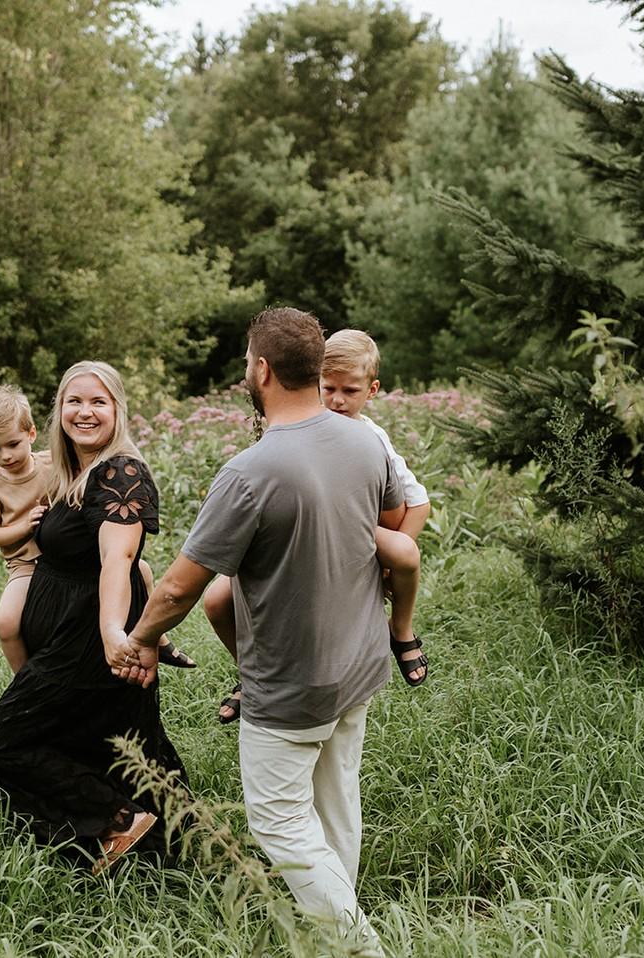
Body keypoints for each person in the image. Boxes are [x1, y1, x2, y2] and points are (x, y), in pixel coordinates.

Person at [113, 307, 420, 954]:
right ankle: (341, 917)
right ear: (316, 369)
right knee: (338, 801)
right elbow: (395, 526)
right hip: (359, 664)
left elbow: (178, 586)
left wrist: (139, 638)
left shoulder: (251, 472)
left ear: (262, 370)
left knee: (280, 821)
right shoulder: (366, 441)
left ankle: (359, 946)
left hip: (290, 682)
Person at [0, 361, 186, 875]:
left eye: (98, 402)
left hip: (89, 638)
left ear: (118, 409)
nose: (84, 411)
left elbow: (120, 559)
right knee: (122, 741)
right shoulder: (73, 471)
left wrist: (114, 631)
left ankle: (117, 820)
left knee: (2, 744)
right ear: (58, 411)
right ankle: (174, 848)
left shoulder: (120, 472)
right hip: (71, 634)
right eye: (74, 401)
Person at [204, 328, 429, 724]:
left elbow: (418, 502)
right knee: (217, 600)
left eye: (351, 391)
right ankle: (250, 674)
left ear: (372, 390)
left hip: (357, 527)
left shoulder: (371, 436)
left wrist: (391, 557)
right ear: (314, 383)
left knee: (407, 552)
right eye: (329, 388)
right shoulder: (294, 424)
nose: (338, 400)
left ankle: (402, 629)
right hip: (306, 530)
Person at [0, 384, 194, 674]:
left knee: (143, 571)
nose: (6, 456)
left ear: (31, 434)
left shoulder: (52, 462)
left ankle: (158, 636)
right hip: (27, 563)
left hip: (69, 556)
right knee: (6, 621)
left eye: (12, 444)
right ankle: (22, 676)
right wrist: (24, 527)